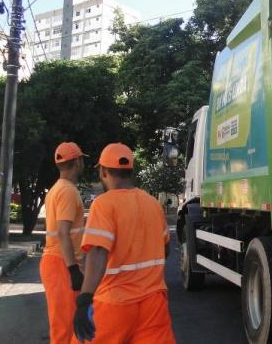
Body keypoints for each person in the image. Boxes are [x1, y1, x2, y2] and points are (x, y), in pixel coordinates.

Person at [73, 143, 175, 344]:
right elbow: (166, 250)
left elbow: (98, 252)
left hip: (115, 303)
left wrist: (85, 298)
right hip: (154, 304)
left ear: (103, 172)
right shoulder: (153, 204)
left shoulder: (103, 204)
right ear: (130, 171)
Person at [40, 141, 88, 344]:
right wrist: (72, 269)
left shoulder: (56, 189)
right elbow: (63, 232)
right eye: (82, 160)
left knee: (66, 324)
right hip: (61, 263)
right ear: (77, 162)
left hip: (57, 261)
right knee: (65, 326)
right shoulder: (68, 191)